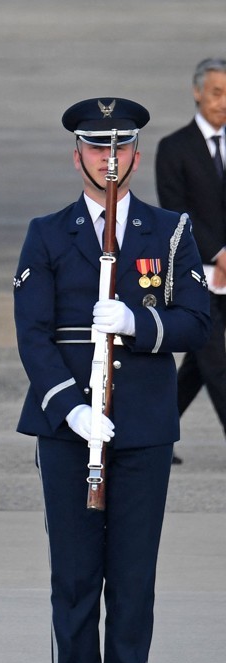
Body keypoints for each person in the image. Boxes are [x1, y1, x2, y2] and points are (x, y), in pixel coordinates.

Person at [13, 98, 209, 663]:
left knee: (132, 582)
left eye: (120, 149)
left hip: (145, 429)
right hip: (70, 431)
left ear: (136, 155)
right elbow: (33, 334)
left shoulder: (169, 230)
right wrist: (69, 407)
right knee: (74, 580)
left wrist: (136, 322)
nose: (108, 159)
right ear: (78, 157)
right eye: (96, 149)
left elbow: (197, 321)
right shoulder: (47, 232)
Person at [156, 58, 226, 457]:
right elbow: (176, 212)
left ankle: (154, 430)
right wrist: (217, 254)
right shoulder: (174, 148)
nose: (223, 102)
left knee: (200, 365)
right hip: (197, 273)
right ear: (198, 92)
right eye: (216, 92)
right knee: (215, 362)